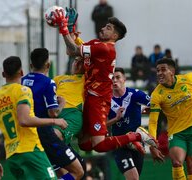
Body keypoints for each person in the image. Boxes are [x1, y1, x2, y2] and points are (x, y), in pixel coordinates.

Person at [51, 9, 158, 153]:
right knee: (84, 144)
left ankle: (136, 135)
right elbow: (71, 51)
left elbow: (75, 50)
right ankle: (122, 140)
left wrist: (64, 28)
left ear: (114, 35)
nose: (102, 28)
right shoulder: (97, 43)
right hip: (89, 96)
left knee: (99, 145)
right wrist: (70, 28)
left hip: (99, 99)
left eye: (108, 28)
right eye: (105, 26)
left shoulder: (106, 48)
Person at [0, 56, 67, 179]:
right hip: (30, 150)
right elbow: (24, 120)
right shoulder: (23, 90)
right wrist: (56, 121)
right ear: (22, 73)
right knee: (76, 172)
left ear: (3, 74)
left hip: (12, 155)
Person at [22, 48, 84, 180]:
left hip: (26, 135)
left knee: (59, 170)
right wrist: (61, 103)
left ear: (31, 65)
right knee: (78, 171)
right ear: (48, 65)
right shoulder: (49, 82)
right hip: (46, 134)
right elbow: (53, 113)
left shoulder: (22, 81)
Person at [148, 58, 192, 180]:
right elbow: (153, 121)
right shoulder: (157, 94)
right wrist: (152, 145)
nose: (159, 73)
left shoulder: (188, 79)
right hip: (177, 133)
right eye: (157, 71)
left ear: (172, 71)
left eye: (163, 70)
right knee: (177, 163)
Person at [107, 67, 151, 180]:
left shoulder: (134, 94)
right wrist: (116, 119)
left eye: (118, 77)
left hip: (137, 143)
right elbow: (101, 125)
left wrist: (150, 109)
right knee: (133, 178)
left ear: (124, 79)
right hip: (119, 144)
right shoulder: (106, 101)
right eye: (112, 78)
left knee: (135, 178)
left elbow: (155, 104)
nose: (114, 80)